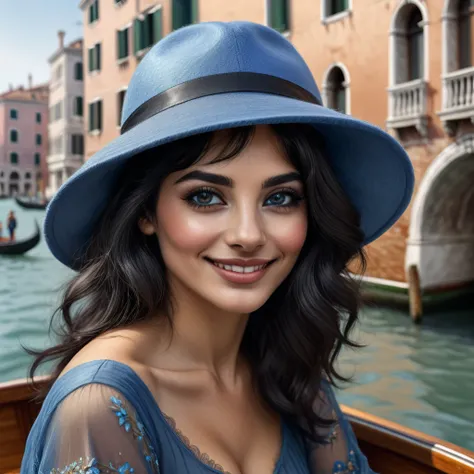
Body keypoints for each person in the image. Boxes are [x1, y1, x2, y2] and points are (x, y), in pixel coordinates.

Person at [20, 21, 414, 474]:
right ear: (145, 212)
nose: (248, 235)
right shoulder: (97, 407)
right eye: (205, 196)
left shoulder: (292, 372)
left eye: (280, 198)